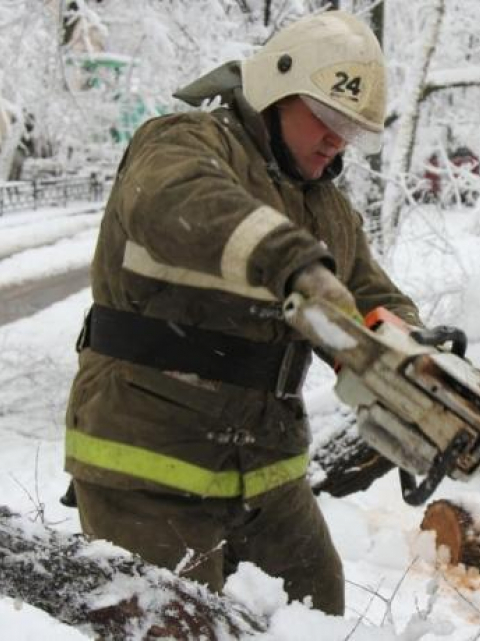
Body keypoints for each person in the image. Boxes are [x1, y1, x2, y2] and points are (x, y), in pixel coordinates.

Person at [64, 10, 421, 616]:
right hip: (151, 465)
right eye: (328, 118)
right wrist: (293, 264)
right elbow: (183, 204)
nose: (337, 139)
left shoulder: (326, 206)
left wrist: (414, 356)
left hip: (268, 475)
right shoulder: (181, 141)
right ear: (275, 89)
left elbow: (369, 297)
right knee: (174, 626)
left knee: (319, 621)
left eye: (351, 131)